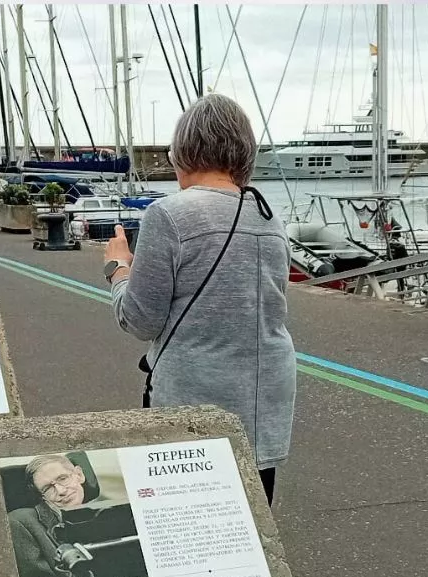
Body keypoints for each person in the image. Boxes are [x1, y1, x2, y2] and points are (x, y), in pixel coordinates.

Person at [103, 93, 296, 507]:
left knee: (190, 526)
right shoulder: (268, 216)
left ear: (183, 153)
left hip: (196, 397)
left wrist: (118, 268)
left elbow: (139, 320)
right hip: (266, 399)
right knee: (251, 520)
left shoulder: (169, 215)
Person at [9, 454, 154, 577]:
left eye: (63, 478)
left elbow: (139, 567)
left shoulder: (108, 510)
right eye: (48, 488)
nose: (61, 491)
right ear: (41, 496)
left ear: (79, 475)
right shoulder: (21, 522)